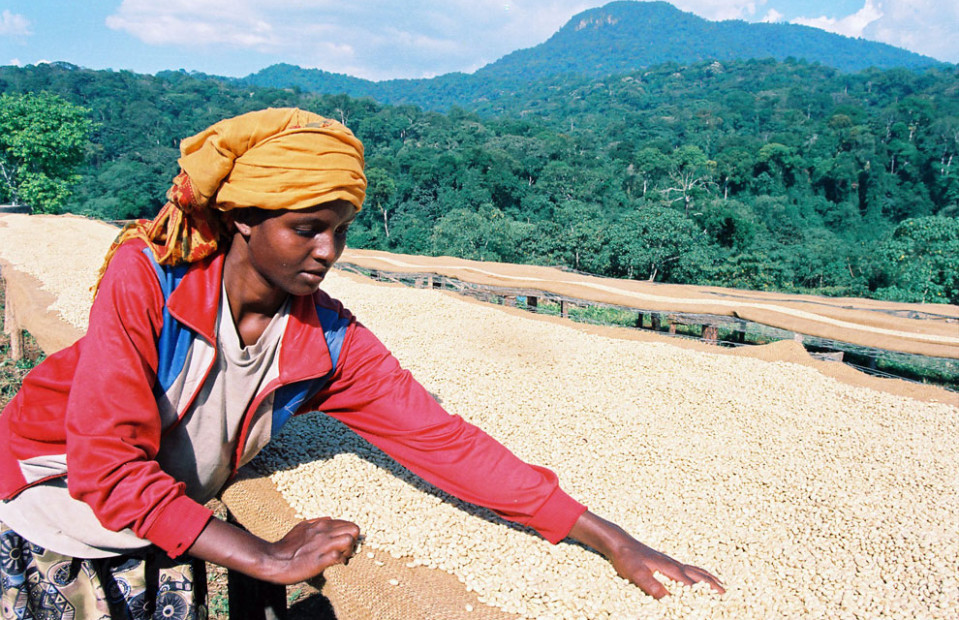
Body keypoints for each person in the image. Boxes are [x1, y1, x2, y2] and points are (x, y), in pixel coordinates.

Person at [0, 108, 723, 618]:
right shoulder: (148, 280)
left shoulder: (327, 340)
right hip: (48, 515)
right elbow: (106, 467)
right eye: (306, 228)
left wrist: (609, 539)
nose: (328, 252)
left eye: (340, 231)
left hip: (168, 526)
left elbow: (444, 443)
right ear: (244, 219)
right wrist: (264, 553)